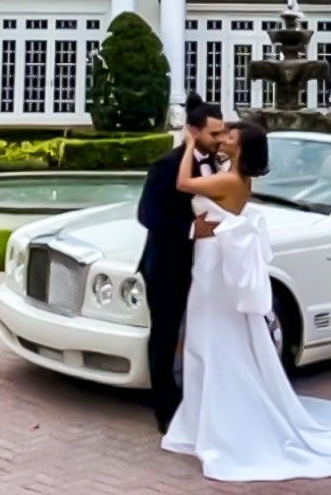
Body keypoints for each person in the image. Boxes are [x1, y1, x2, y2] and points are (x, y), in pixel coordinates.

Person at [160, 120, 331, 482]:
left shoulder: (232, 180)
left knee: (213, 343)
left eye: (230, 137)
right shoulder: (231, 174)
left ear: (242, 148)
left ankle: (218, 426)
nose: (223, 139)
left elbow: (183, 184)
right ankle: (201, 421)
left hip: (215, 272)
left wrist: (187, 143)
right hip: (208, 264)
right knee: (206, 344)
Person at [136, 94, 226, 434]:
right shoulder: (166, 165)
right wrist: (192, 229)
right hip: (167, 265)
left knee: (199, 330)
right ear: (193, 131)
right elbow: (147, 215)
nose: (220, 140)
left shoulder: (217, 163)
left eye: (222, 133)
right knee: (165, 335)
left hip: (203, 265)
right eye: (214, 134)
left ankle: (197, 394)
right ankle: (164, 409)